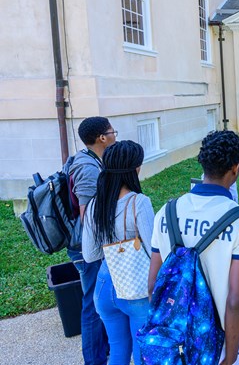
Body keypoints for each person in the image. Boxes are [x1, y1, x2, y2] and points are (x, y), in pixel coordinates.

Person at [148, 130, 239, 365]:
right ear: (236, 168)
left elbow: (153, 284)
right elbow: (236, 300)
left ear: (203, 164)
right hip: (219, 339)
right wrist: (230, 355)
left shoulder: (166, 212)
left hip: (174, 338)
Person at [82, 141, 154, 365]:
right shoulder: (138, 202)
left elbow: (90, 255)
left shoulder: (95, 204)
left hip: (104, 286)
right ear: (135, 168)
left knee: (118, 350)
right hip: (136, 289)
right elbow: (154, 251)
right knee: (143, 353)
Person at [69, 116, 114, 365]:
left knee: (98, 301)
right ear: (102, 138)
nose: (114, 135)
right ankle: (94, 360)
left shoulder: (93, 160)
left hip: (90, 245)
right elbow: (88, 217)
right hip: (86, 247)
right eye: (112, 131)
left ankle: (102, 351)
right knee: (93, 305)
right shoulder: (87, 168)